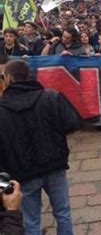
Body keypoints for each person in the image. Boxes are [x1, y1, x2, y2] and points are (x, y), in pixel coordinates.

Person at [0, 60, 80, 234]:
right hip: (54, 165)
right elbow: (71, 123)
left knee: (30, 220)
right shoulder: (51, 97)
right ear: (28, 75)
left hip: (24, 172)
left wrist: (4, 182)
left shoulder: (2, 109)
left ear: (8, 78)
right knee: (63, 212)